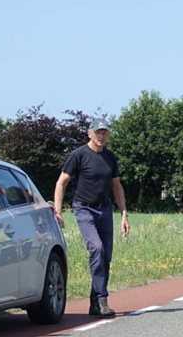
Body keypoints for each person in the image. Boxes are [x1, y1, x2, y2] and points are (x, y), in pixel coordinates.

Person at [53, 118, 131, 317]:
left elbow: (117, 187)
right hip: (84, 209)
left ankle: (95, 302)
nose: (101, 136)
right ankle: (102, 300)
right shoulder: (78, 155)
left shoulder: (110, 157)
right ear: (90, 133)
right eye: (98, 133)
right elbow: (61, 183)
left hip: (104, 210)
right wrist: (58, 212)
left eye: (105, 133)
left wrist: (124, 214)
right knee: (96, 248)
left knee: (105, 256)